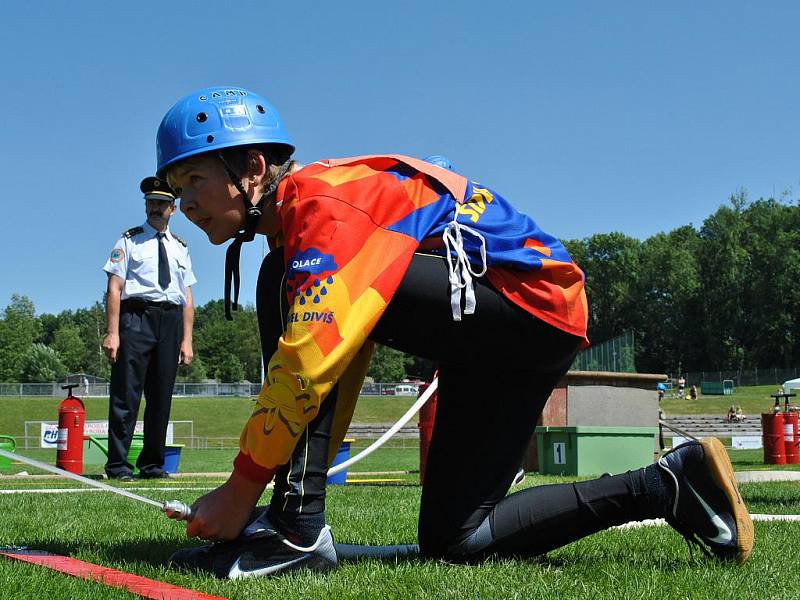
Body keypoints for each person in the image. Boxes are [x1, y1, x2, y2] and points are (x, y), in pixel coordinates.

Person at [157, 86, 753, 577]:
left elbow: (315, 354)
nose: (185, 202)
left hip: (527, 308)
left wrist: (242, 490)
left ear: (253, 167)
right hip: (516, 327)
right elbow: (335, 355)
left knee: (285, 280)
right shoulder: (306, 219)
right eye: (177, 190)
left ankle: (294, 531)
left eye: (194, 182)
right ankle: (669, 485)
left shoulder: (323, 205)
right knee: (458, 540)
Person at [102, 177, 196, 481]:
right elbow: (114, 288)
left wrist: (187, 339)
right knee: (126, 395)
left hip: (169, 321)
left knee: (161, 397)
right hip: (136, 318)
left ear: (173, 208)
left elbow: (188, 297)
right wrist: (113, 332)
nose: (155, 208)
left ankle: (152, 464)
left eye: (161, 203)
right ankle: (118, 466)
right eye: (151, 202)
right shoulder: (128, 241)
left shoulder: (180, 247)